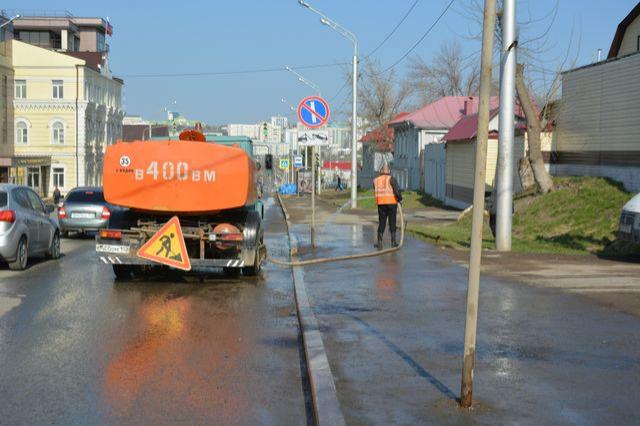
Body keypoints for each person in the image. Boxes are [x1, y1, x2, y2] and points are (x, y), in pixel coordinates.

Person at [373, 164, 402, 249]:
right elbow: (397, 190)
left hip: (381, 203)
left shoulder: (376, 180)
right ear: (389, 171)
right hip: (391, 203)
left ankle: (379, 242)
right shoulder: (391, 179)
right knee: (392, 222)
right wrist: (399, 199)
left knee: (382, 222)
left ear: (381, 171)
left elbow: (376, 190)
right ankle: (393, 242)